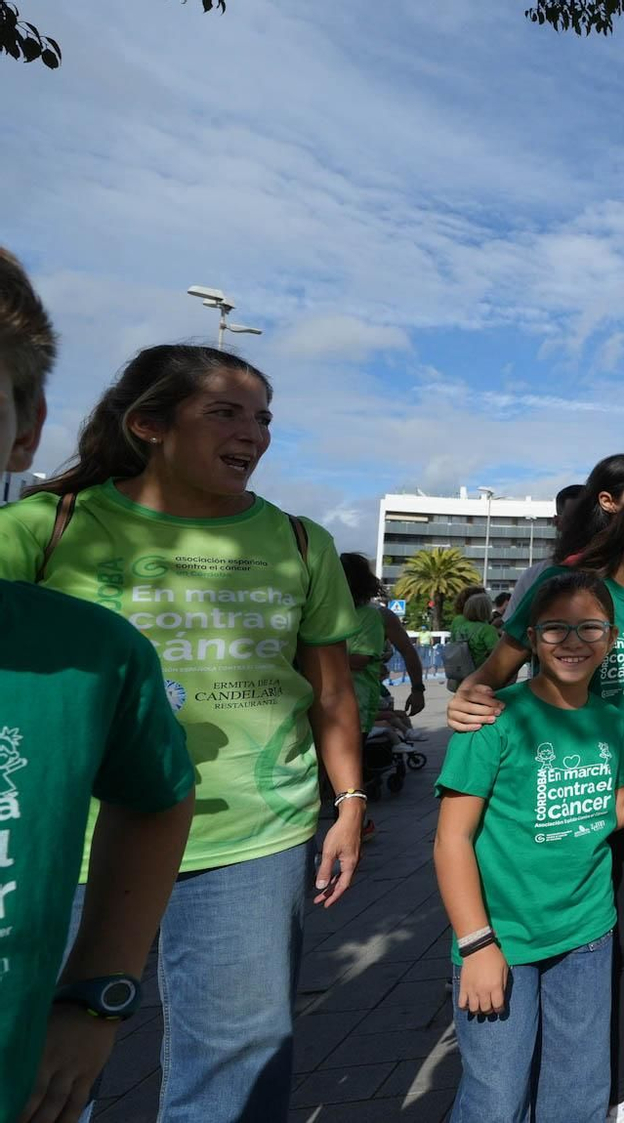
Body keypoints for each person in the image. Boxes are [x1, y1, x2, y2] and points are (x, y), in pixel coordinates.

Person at [0, 341, 368, 1120]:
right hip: (70, 841)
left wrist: (350, 801)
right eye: (226, 412)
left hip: (254, 838)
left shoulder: (302, 541)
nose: (253, 433)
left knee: (237, 1069)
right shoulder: (44, 526)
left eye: (263, 418)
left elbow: (333, 693)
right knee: (40, 1073)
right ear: (149, 424)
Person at [0, 247, 197, 1123]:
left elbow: (157, 798)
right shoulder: (49, 526)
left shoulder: (93, 652)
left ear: (25, 426)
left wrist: (96, 994)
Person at [448, 484, 624, 1122]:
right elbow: (496, 672)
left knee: (617, 948)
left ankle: (615, 1087)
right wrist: (468, 696)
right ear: (622, 523)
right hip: (556, 805)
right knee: (560, 961)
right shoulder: (568, 589)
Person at [342, 552, 426, 733]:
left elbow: (407, 651)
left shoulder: (377, 615)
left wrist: (418, 689)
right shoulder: (323, 611)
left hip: (358, 704)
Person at [515, 482, 587, 598]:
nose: (585, 528)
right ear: (557, 522)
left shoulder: (613, 572)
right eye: (574, 521)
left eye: (591, 520)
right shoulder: (533, 576)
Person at [445, 589, 501, 692]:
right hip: (480, 677)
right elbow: (498, 653)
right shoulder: (487, 629)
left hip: (460, 674)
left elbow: (453, 642)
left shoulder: (458, 622)